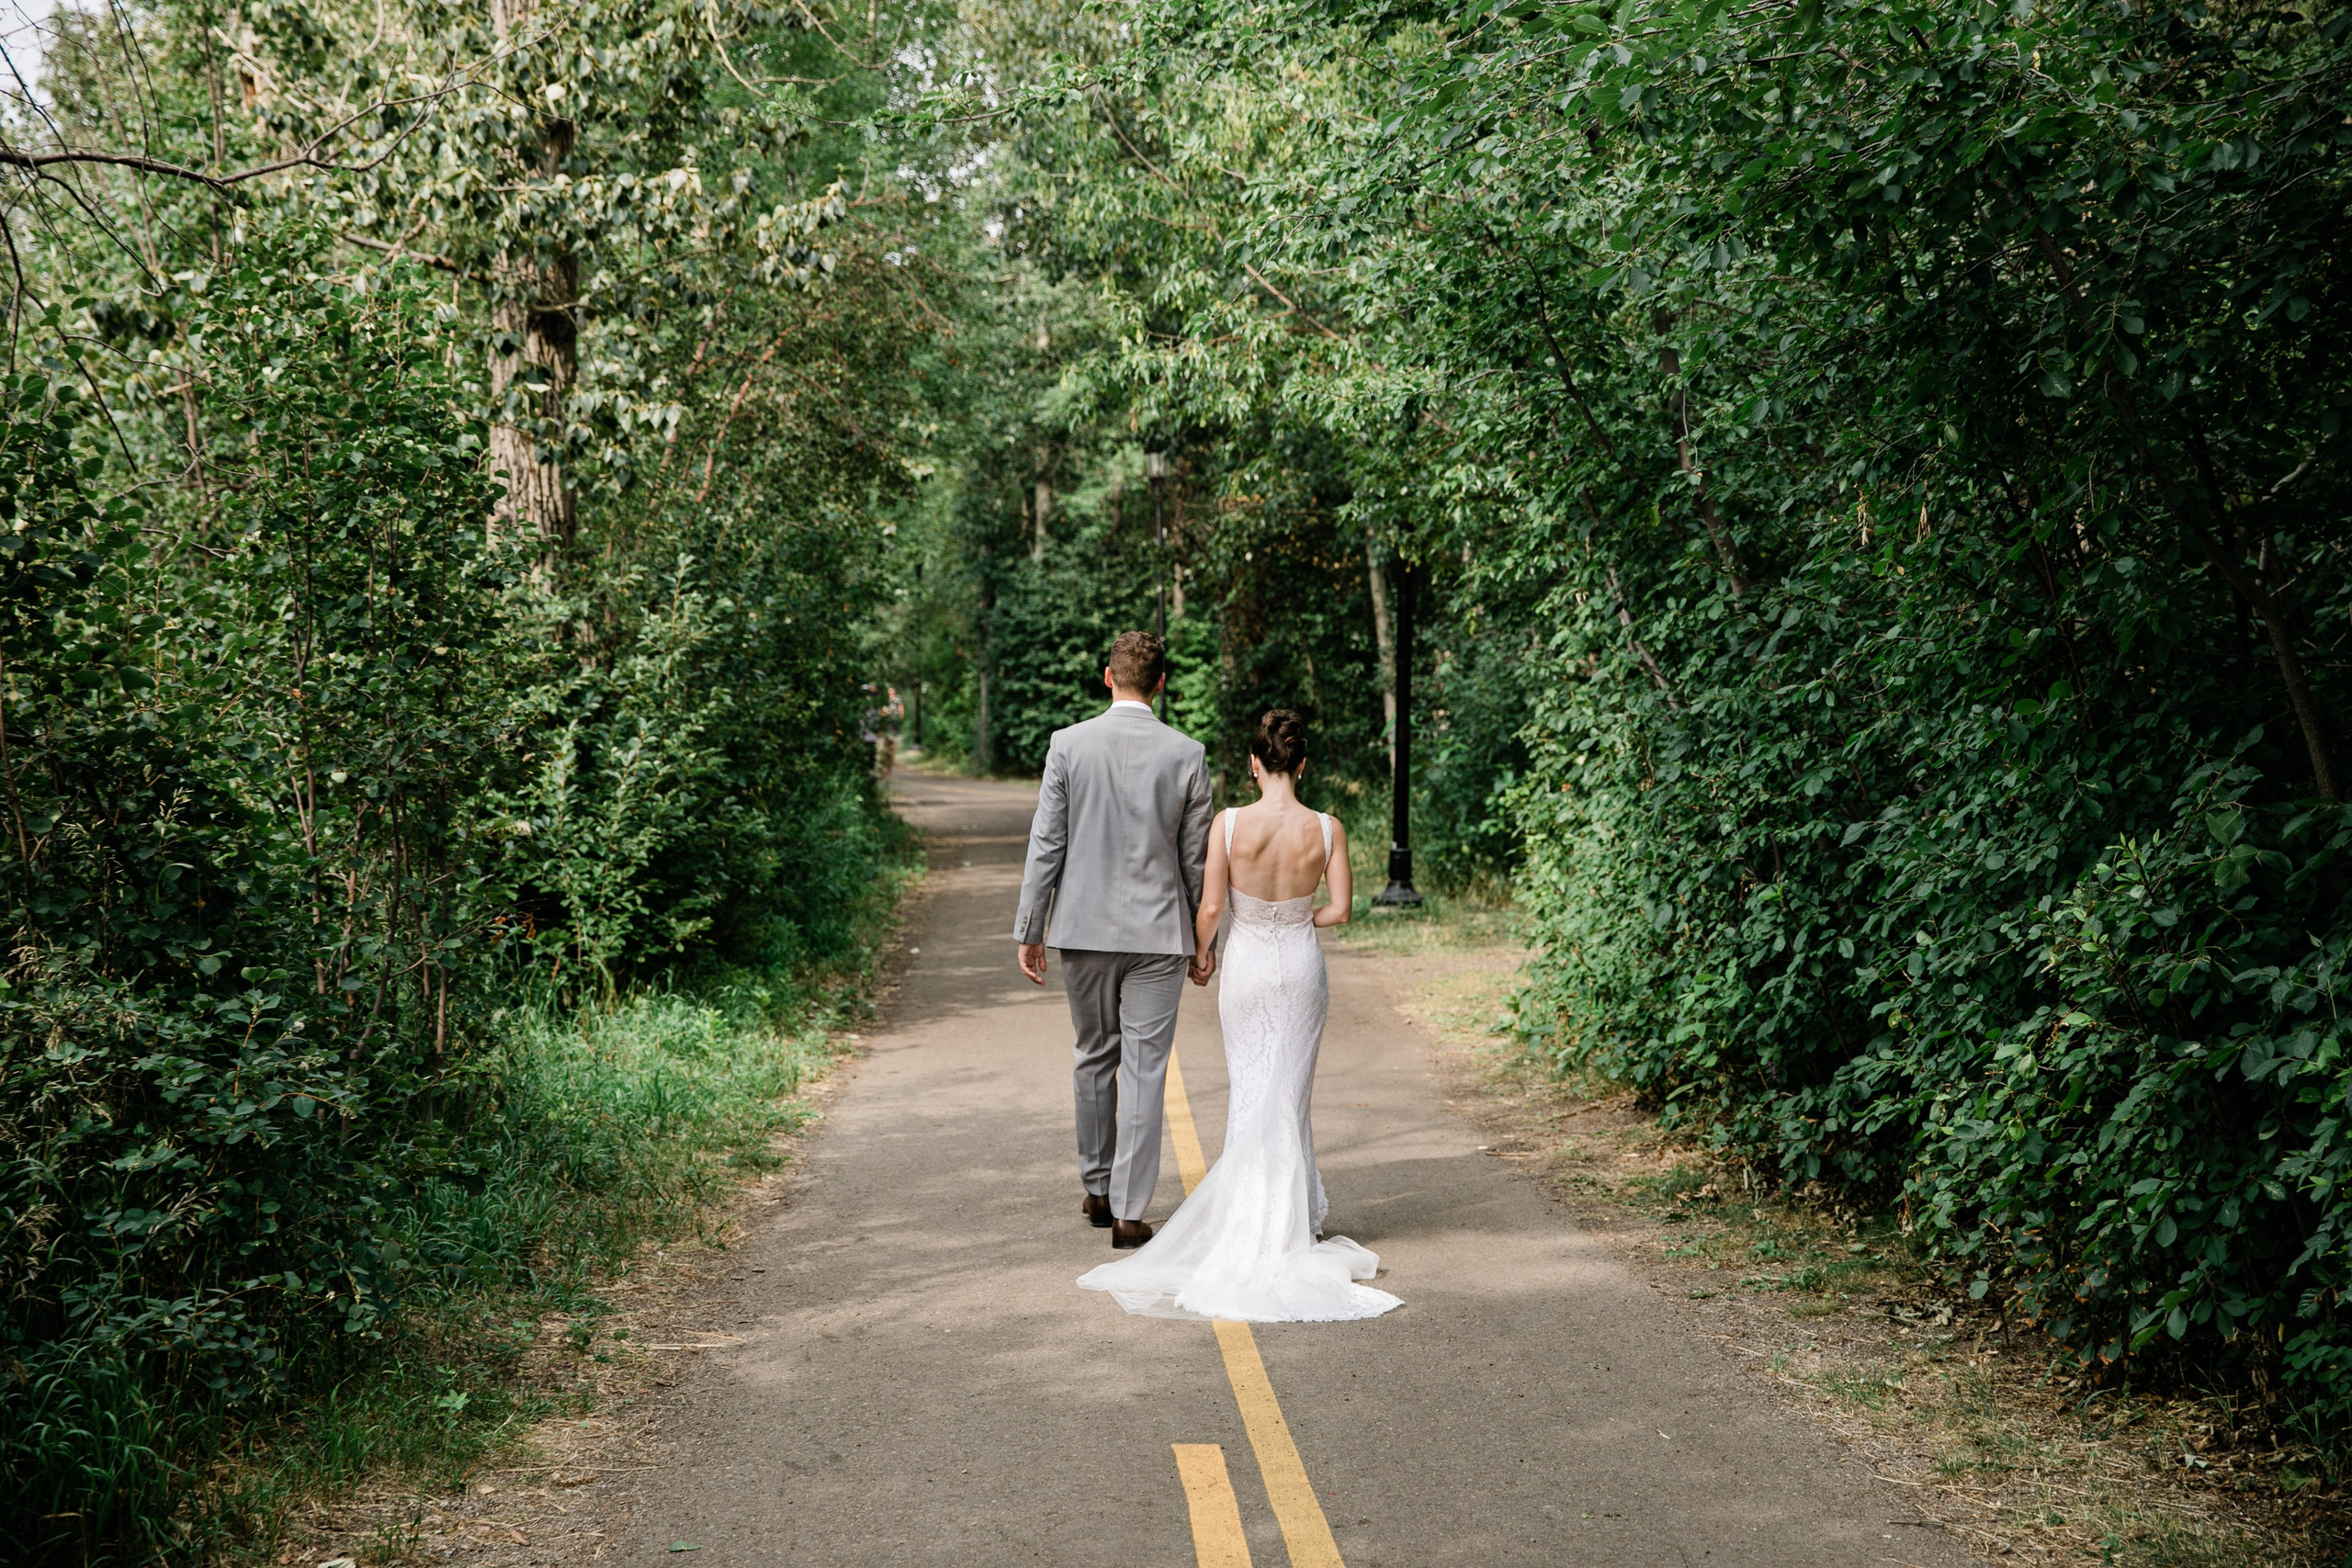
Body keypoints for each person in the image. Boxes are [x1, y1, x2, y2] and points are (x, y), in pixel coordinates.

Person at [1077, 709, 1402, 1322]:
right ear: (1301, 764)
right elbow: (1340, 910)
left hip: (1248, 965)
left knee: (1252, 1092)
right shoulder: (1327, 828)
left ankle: (1252, 1222)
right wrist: (1297, 918)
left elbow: (1212, 905)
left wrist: (1204, 955)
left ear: (1255, 763)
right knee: (1289, 1096)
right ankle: (1289, 1226)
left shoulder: (1228, 825)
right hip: (1302, 966)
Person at [1012, 631, 1215, 1249]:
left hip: (1083, 928)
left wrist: (1030, 926)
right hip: (1159, 933)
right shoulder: (1187, 753)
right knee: (1147, 1069)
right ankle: (1129, 1210)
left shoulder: (1069, 745)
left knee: (1094, 1053)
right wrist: (1205, 941)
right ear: (1160, 684)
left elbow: (1048, 841)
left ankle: (1097, 1187)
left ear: (1108, 676)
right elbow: (1197, 860)